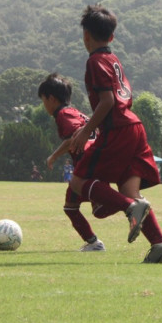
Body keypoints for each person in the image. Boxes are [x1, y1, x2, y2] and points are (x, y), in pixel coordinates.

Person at [67, 5, 162, 264]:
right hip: (135, 127)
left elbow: (107, 102)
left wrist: (86, 131)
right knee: (130, 191)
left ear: (86, 36)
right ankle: (160, 243)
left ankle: (129, 208)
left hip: (117, 129)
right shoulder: (114, 60)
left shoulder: (95, 61)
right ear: (112, 37)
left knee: (78, 182)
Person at [38, 72, 104, 252]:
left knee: (80, 208)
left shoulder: (63, 115)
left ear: (51, 99)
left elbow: (72, 139)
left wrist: (53, 156)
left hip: (87, 165)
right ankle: (94, 242)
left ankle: (130, 206)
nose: (44, 105)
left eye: (43, 100)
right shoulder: (76, 112)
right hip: (94, 161)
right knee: (77, 207)